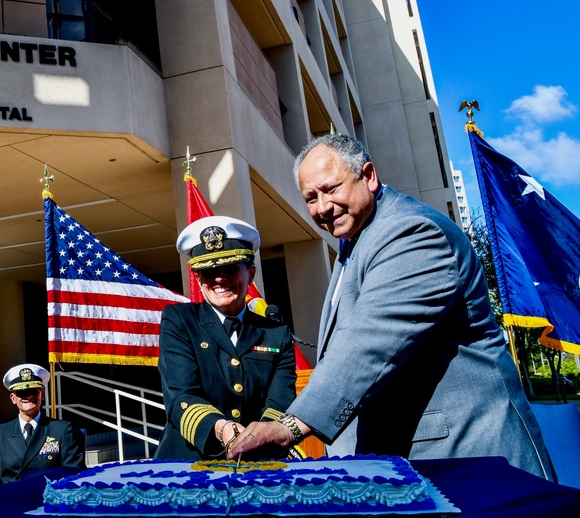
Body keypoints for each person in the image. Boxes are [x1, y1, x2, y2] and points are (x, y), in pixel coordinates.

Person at [229, 133, 555, 480]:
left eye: (331, 189)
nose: (322, 207)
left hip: (473, 463)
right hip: (414, 468)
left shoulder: (411, 231)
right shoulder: (355, 243)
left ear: (368, 176)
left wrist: (289, 427)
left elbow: (370, 341)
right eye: (311, 198)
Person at [156, 216, 296, 460]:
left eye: (229, 268)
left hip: (258, 461)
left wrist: (259, 438)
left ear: (250, 273)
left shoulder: (276, 334)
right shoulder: (179, 321)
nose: (219, 278)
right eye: (208, 271)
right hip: (189, 464)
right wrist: (223, 429)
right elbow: (181, 395)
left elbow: (279, 403)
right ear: (198, 279)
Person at [0, 364, 84, 489]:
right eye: (22, 392)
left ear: (41, 395)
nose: (28, 396)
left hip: (47, 500)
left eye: (33, 391)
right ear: (13, 398)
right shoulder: (0, 434)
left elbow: (74, 472)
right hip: (11, 501)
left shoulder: (62, 430)